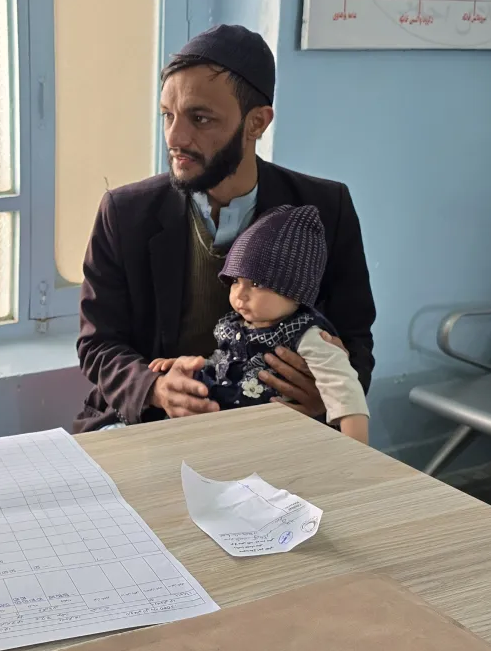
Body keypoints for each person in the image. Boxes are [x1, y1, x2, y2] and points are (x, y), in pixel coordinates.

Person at [74, 23, 376, 432]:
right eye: (168, 115)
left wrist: (321, 395)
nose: (175, 137)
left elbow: (354, 337)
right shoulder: (125, 212)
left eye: (200, 118)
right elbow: (98, 344)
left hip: (274, 426)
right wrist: (155, 388)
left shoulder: (323, 208)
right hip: (149, 425)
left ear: (257, 123)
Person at [147, 205, 370, 444]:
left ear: (294, 290)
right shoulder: (238, 324)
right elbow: (224, 363)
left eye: (256, 284)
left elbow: (345, 391)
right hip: (220, 430)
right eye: (235, 281)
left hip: (271, 440)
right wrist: (188, 367)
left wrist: (356, 451)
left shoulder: (307, 335)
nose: (239, 295)